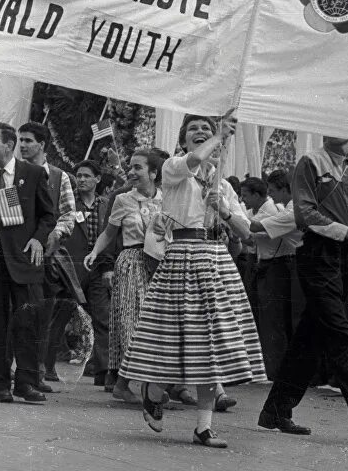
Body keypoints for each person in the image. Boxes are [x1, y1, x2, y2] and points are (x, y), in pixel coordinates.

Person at [120, 115, 264, 449]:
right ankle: (155, 388)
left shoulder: (222, 184)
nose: (200, 133)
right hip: (183, 257)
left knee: (211, 345)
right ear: (183, 140)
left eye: (206, 129)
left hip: (216, 260)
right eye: (193, 129)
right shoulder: (174, 167)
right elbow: (196, 158)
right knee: (175, 338)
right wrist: (219, 135)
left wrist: (224, 211)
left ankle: (204, 427)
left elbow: (247, 233)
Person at [259, 135, 348, 446]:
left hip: (346, 256)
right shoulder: (311, 162)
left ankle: (276, 410)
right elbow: (304, 213)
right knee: (339, 334)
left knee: (310, 337)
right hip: (318, 253)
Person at [0, 121, 56, 403]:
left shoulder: (33, 173)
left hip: (25, 260)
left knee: (27, 322)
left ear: (8, 145)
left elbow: (48, 215)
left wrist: (39, 239)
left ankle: (27, 383)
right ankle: (0, 385)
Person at [84, 149, 163, 403]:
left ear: (153, 173)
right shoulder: (122, 199)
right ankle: (143, 387)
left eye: (138, 167)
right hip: (131, 263)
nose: (131, 172)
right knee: (132, 324)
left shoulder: (167, 199)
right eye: (130, 167)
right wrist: (95, 252)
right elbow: (109, 233)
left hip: (159, 265)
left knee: (156, 326)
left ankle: (123, 384)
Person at [17, 121, 76, 389]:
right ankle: (15, 370)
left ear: (41, 144)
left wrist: (56, 233)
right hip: (18, 253)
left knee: (42, 314)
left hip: (47, 257)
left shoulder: (59, 176)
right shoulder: (13, 172)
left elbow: (68, 214)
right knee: (18, 312)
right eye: (20, 140)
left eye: (28, 140)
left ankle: (37, 372)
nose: (22, 145)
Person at [44, 159, 111, 387]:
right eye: (79, 176)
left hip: (98, 267)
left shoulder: (105, 204)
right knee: (60, 317)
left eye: (86, 176)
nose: (81, 180)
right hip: (70, 269)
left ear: (97, 179)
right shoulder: (69, 202)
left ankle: (103, 371)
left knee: (102, 318)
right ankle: (47, 366)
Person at [241, 175, 302, 381]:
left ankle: (275, 369)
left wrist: (228, 214)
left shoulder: (281, 211)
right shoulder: (283, 209)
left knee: (274, 320)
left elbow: (254, 229)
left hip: (279, 264)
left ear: (285, 189)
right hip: (271, 262)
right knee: (269, 319)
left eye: (273, 191)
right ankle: (271, 367)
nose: (271, 195)